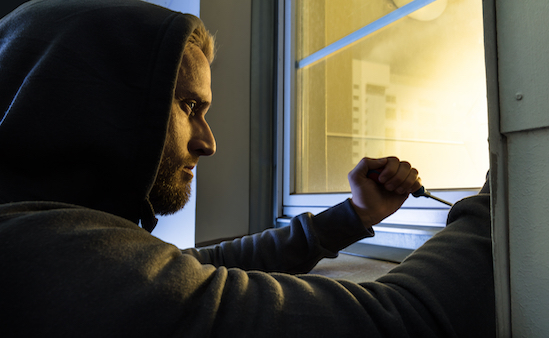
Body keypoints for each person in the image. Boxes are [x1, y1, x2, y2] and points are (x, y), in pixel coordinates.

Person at [0, 0, 495, 336]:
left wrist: (353, 217)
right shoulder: (65, 263)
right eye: (188, 107)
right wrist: (508, 193)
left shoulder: (38, 230)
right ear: (96, 106)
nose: (209, 142)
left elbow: (195, 271)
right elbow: (401, 322)